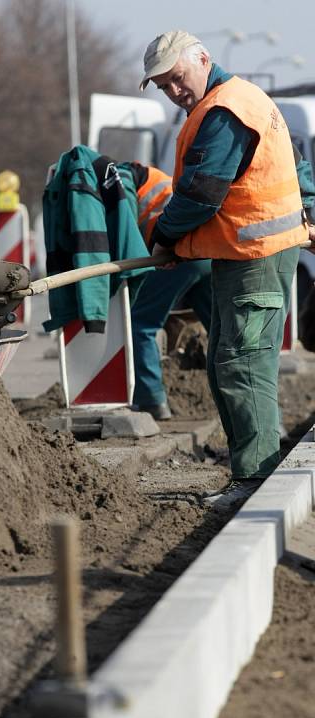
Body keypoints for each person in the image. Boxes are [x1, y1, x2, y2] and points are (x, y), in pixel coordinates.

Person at [139, 30, 315, 505]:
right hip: (245, 256)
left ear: (202, 59)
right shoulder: (248, 98)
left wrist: (163, 236)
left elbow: (201, 194)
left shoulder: (222, 111)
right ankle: (252, 470)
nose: (175, 91)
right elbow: (298, 168)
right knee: (230, 362)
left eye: (176, 78)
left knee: (241, 365)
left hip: (253, 259)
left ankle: (255, 482)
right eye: (163, 87)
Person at [117, 161, 212, 421]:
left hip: (180, 252)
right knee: (221, 330)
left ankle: (151, 400)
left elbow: (126, 236)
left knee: (141, 322)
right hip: (207, 250)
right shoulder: (152, 179)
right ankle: (252, 409)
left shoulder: (122, 182)